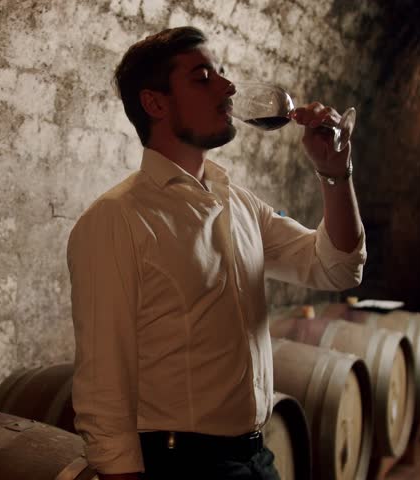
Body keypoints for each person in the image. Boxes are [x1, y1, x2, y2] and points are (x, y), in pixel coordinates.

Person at [66, 26, 366, 480]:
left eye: (222, 73)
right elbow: (102, 386)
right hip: (180, 464)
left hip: (255, 457)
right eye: (203, 77)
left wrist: (334, 174)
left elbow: (337, 268)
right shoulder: (117, 219)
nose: (228, 87)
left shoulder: (239, 203)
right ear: (156, 103)